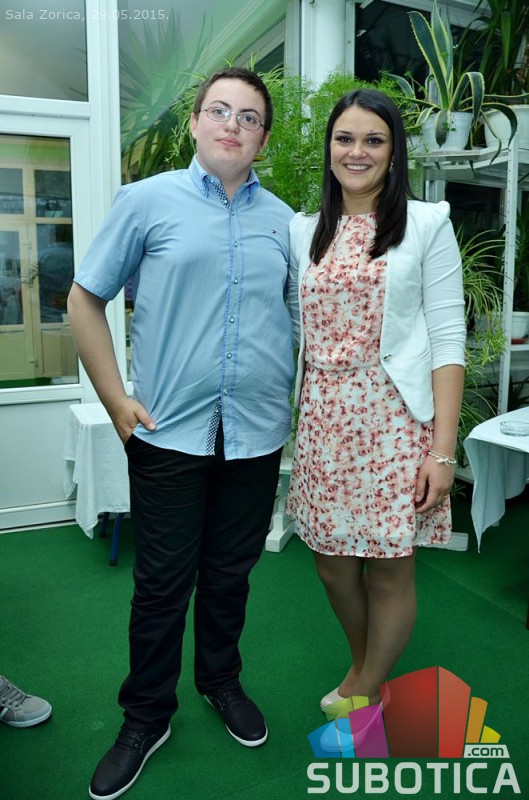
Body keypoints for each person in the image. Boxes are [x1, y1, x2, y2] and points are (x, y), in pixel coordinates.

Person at [67, 67, 295, 800]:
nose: (233, 125)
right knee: (162, 585)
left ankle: (219, 681)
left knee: (230, 575)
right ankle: (145, 717)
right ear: (195, 123)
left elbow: (298, 320)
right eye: (219, 111)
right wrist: (116, 401)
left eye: (249, 117)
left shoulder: (286, 222)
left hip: (255, 434)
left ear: (263, 138)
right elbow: (84, 298)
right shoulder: (146, 201)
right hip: (169, 433)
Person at [286, 89, 466, 720]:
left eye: (373, 140)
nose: (356, 152)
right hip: (323, 420)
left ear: (394, 152)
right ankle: (367, 666)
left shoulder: (426, 223)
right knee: (332, 566)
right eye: (345, 138)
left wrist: (443, 451)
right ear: (329, 148)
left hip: (394, 422)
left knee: (390, 568)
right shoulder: (303, 230)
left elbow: (448, 339)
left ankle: (363, 685)